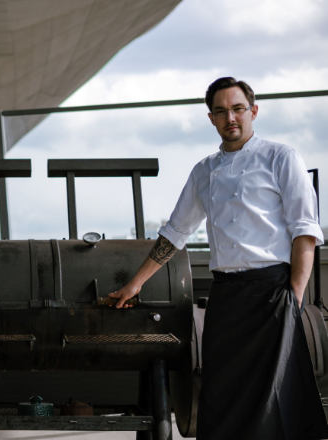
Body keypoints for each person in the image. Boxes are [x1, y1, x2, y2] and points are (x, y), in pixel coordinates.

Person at [108, 77, 326, 439]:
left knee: (271, 399)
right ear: (211, 118)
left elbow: (304, 231)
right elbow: (175, 233)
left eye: (238, 109)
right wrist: (135, 283)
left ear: (253, 111)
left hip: (273, 292)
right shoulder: (204, 171)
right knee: (220, 395)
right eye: (222, 111)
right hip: (226, 296)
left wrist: (294, 300)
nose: (231, 118)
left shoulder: (281, 157)